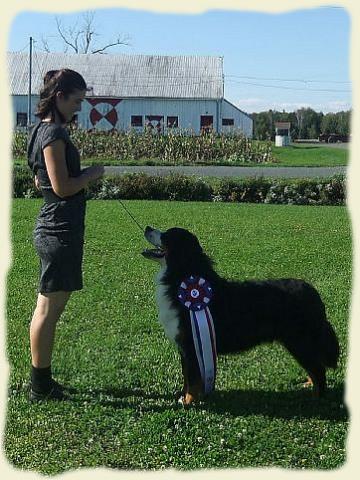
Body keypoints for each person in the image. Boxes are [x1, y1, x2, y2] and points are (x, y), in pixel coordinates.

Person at [27, 69, 104, 401]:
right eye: (77, 101)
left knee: (46, 309)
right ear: (59, 96)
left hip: (54, 227)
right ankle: (40, 386)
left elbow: (39, 182)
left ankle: (41, 382)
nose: (79, 108)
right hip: (59, 232)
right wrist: (92, 173)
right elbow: (62, 188)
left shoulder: (37, 131)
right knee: (47, 311)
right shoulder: (54, 134)